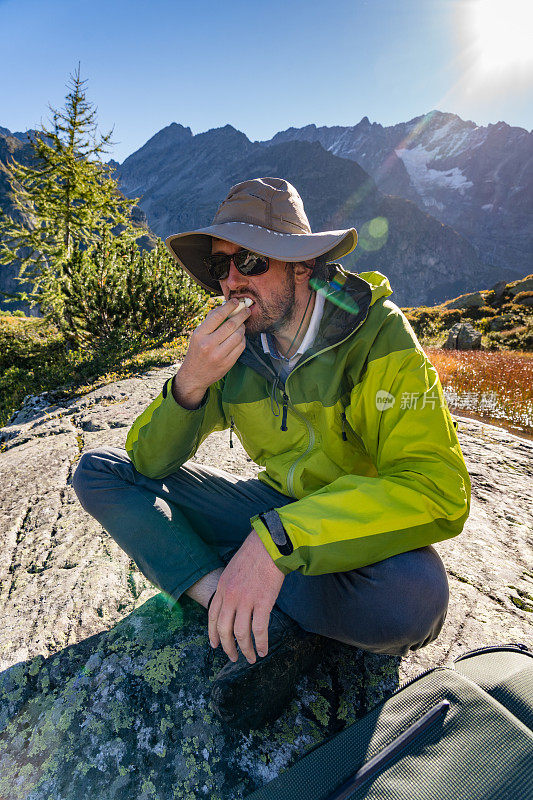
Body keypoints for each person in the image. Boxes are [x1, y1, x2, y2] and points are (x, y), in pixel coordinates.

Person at [72, 177, 471, 730]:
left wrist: (277, 542)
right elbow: (144, 466)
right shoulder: (234, 347)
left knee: (416, 599)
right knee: (100, 472)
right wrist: (189, 383)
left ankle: (241, 577)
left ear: (302, 266)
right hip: (272, 507)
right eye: (219, 268)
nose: (231, 282)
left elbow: (436, 488)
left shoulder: (378, 335)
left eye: (251, 261)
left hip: (344, 531)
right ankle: (224, 601)